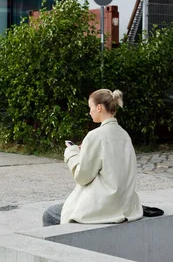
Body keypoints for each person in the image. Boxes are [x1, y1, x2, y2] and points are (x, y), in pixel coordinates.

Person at [42, 88, 143, 226]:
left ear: (99, 107)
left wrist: (71, 152)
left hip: (102, 207)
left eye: (91, 108)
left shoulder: (95, 136)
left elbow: (82, 177)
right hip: (126, 206)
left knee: (49, 215)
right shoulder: (125, 135)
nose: (90, 112)